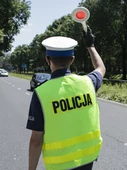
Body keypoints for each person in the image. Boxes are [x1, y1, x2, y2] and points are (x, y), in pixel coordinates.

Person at [26, 26, 106, 170]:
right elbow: (101, 68)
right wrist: (90, 46)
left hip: (59, 165)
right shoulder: (88, 82)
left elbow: (36, 140)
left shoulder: (41, 93)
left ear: (47, 60)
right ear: (72, 59)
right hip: (87, 159)